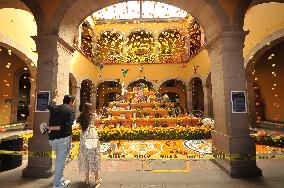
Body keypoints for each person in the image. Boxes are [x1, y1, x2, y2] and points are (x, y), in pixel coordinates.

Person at [48, 95, 76, 188]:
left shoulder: (54, 108)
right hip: (63, 139)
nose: (74, 103)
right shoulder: (71, 111)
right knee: (60, 161)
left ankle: (59, 179)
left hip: (52, 139)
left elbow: (49, 105)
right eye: (73, 101)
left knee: (59, 160)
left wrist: (54, 96)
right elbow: (68, 125)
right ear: (71, 101)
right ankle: (57, 184)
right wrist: (54, 127)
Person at [77, 103, 102, 186]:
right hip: (92, 136)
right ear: (91, 108)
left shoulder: (81, 116)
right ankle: (97, 178)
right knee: (93, 157)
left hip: (84, 136)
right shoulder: (93, 115)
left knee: (85, 158)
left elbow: (77, 125)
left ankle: (87, 179)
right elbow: (98, 121)